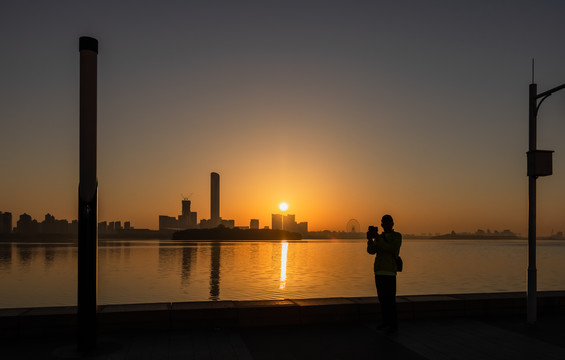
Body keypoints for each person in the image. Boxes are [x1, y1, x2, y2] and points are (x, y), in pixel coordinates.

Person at [367, 214, 402, 335]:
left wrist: (377, 238)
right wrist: (369, 240)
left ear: (392, 224)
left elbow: (391, 248)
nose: (385, 225)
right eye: (383, 223)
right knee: (382, 299)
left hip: (390, 272)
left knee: (390, 300)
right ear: (381, 225)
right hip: (379, 271)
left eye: (388, 223)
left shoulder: (397, 236)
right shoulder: (380, 237)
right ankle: (385, 322)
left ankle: (393, 324)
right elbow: (371, 251)